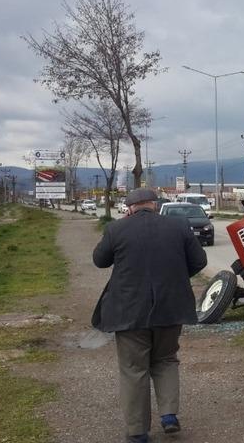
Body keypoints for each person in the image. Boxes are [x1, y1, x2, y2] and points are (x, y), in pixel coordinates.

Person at [92, 188, 207, 443]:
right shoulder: (178, 227)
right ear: (155, 205)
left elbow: (100, 260)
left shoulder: (116, 229)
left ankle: (137, 432)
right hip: (171, 306)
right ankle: (168, 415)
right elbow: (199, 261)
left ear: (130, 208)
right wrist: (175, 278)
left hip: (128, 311)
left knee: (134, 369)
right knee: (166, 359)